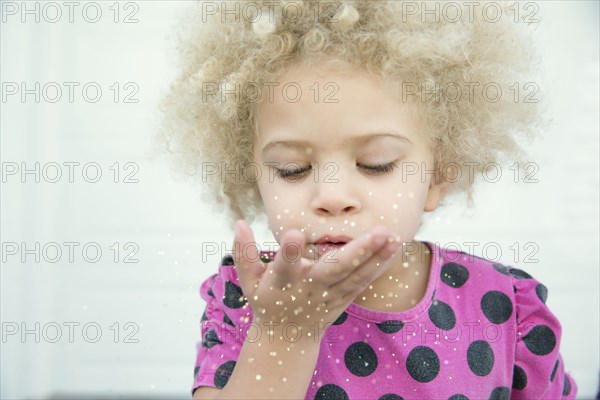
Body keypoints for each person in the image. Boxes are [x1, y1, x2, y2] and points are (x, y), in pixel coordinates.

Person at [159, 1, 578, 398]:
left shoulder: (506, 306)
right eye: (292, 169)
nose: (332, 197)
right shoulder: (245, 298)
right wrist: (286, 331)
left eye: (376, 164)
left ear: (437, 177)